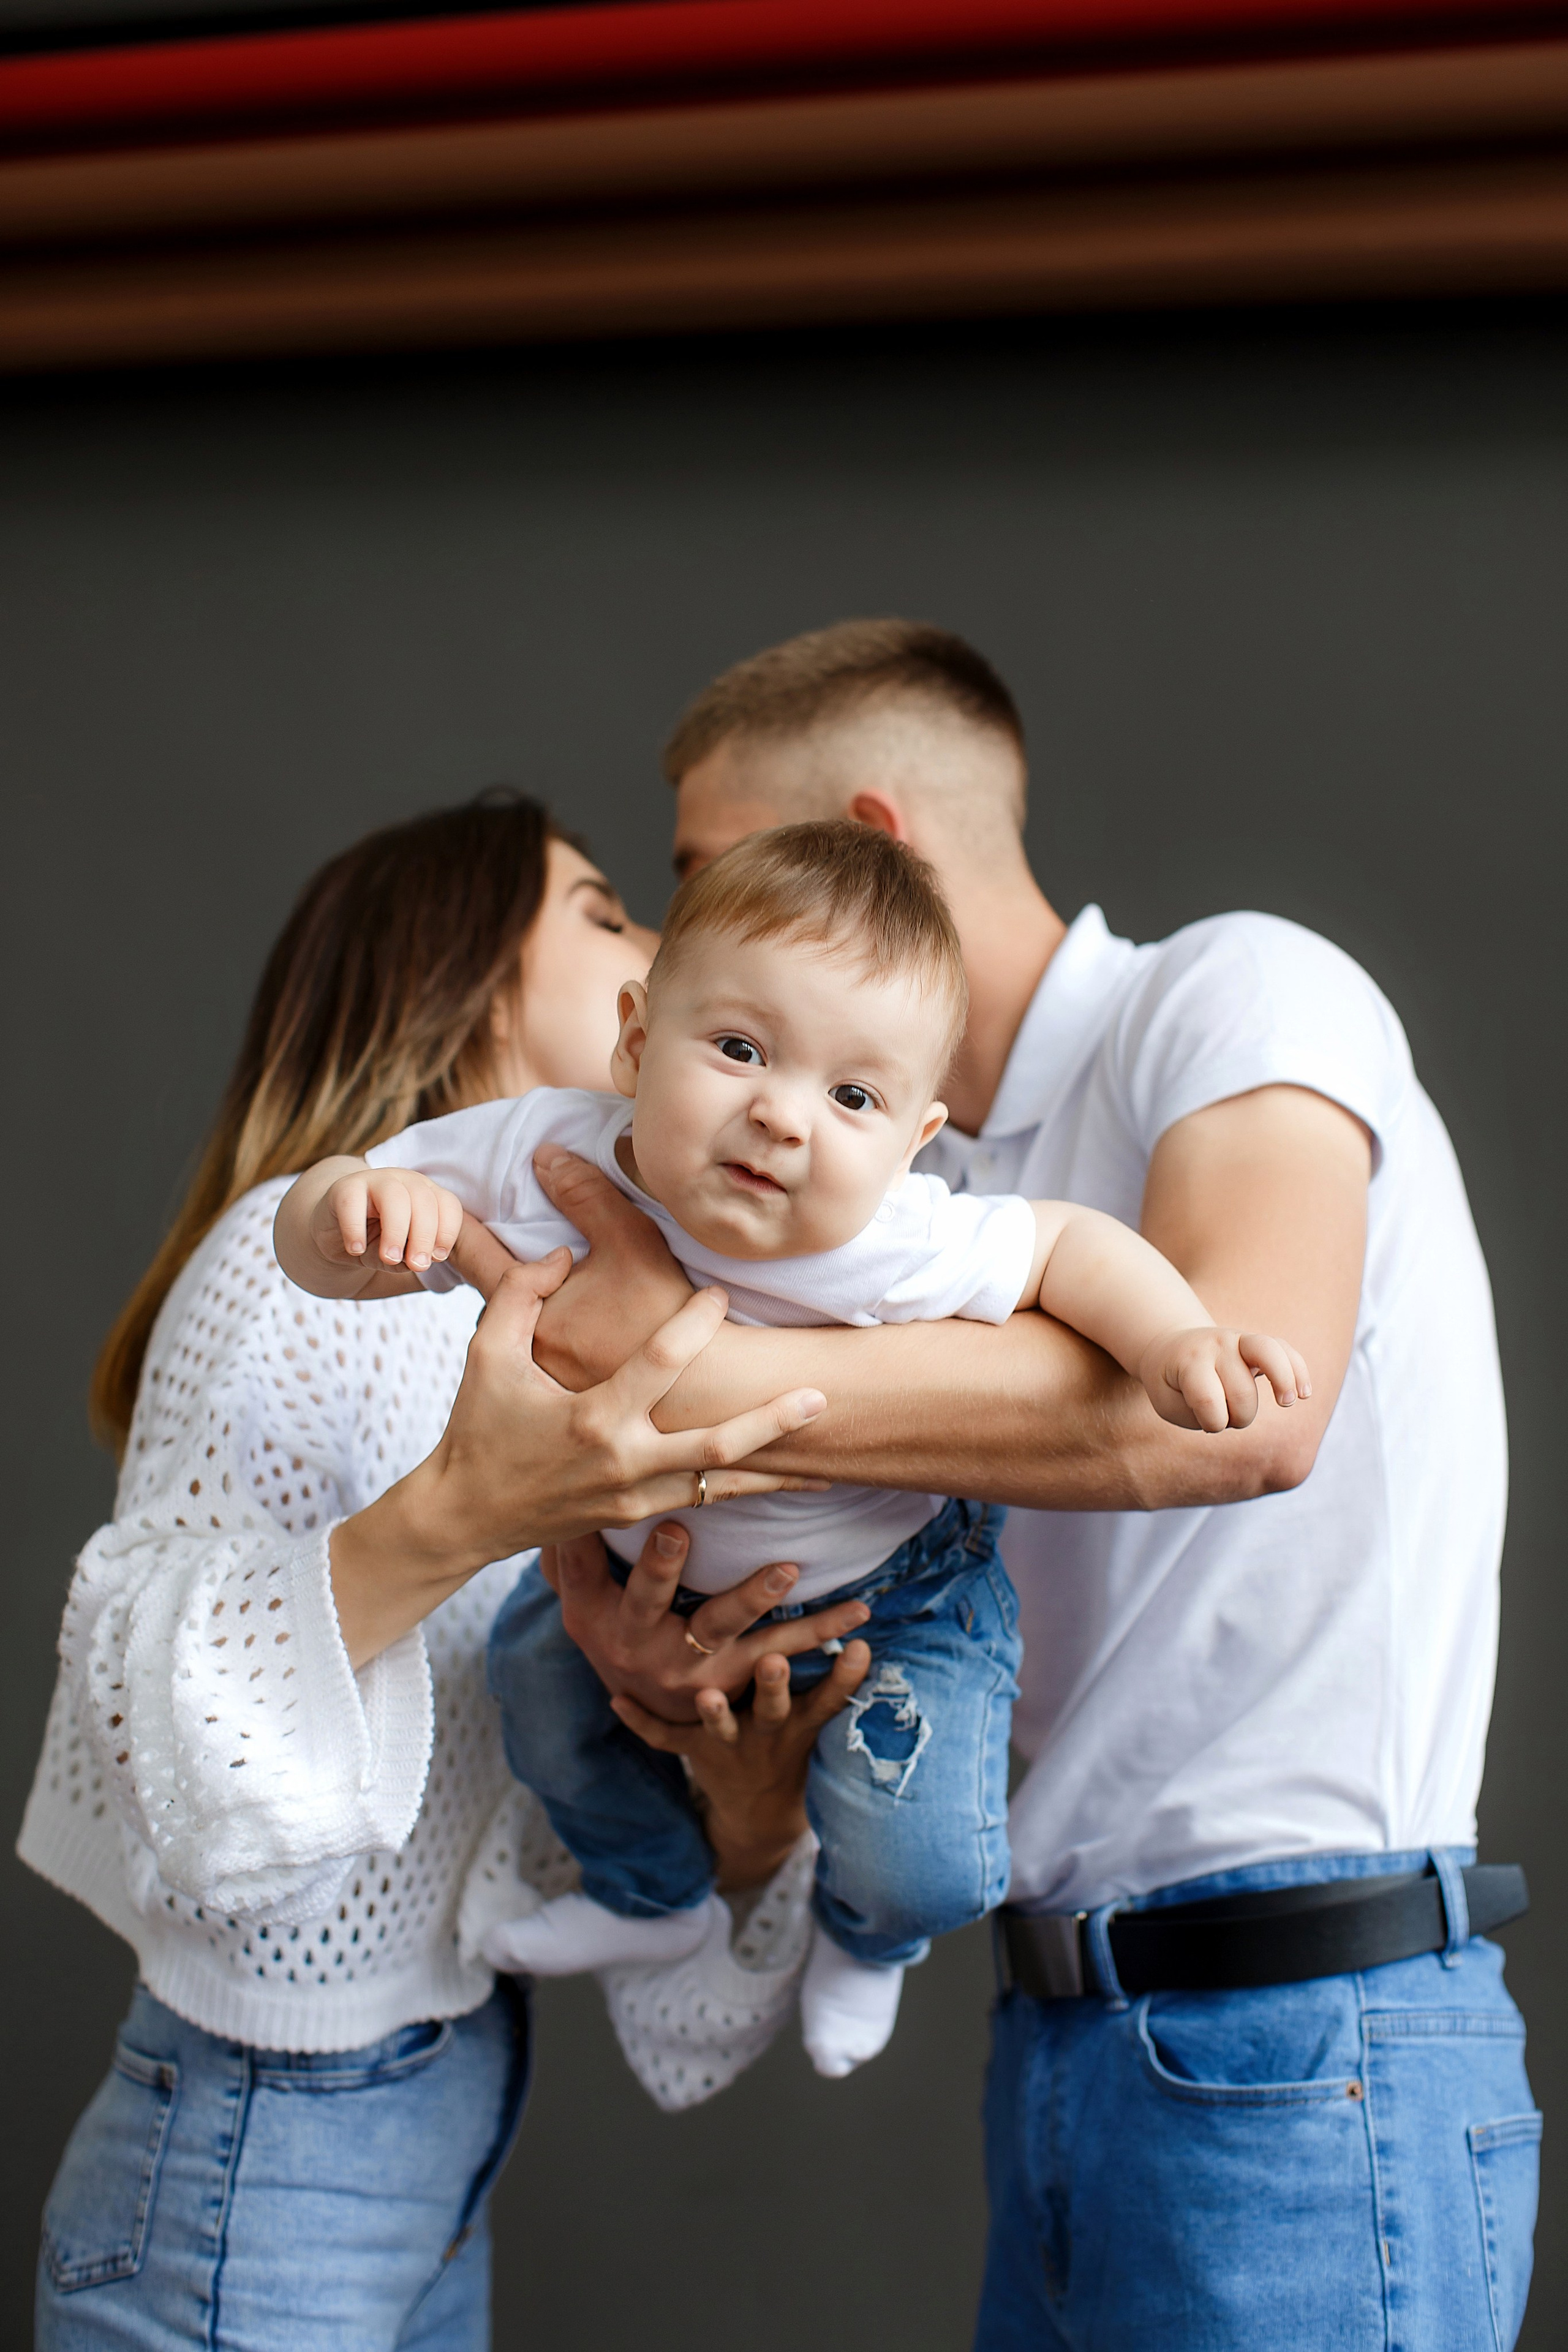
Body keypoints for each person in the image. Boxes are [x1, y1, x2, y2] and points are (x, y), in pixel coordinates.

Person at [513, 623, 1537, 2350]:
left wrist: (673, 1397)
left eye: (703, 868)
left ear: (871, 841)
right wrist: (679, 1662)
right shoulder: (899, 1202)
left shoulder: (1234, 993)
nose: (691, 933)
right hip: (1067, 2032)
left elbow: (1240, 1408)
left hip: (1298, 2039)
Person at [18, 791, 876, 2352]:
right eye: (609, 911)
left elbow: (680, 2023)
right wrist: (476, 1504)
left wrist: (721, 1779)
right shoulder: (302, 1262)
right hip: (256, 2170)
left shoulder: (613, 1340)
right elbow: (179, 1797)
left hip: (444, 2144)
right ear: (478, 983)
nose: (666, 946)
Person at [275, 820, 1307, 2079]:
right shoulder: (549, 1147)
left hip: (894, 1598)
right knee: (542, 1716)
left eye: (851, 1097)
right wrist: (359, 1212)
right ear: (636, 1041)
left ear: (913, 1139)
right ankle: (649, 1901)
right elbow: (324, 1220)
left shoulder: (891, 1236)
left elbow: (1063, 1250)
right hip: (633, 1572)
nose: (780, 1117)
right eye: (737, 1050)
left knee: (916, 1856)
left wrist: (1172, 1344)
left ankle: (869, 1943)